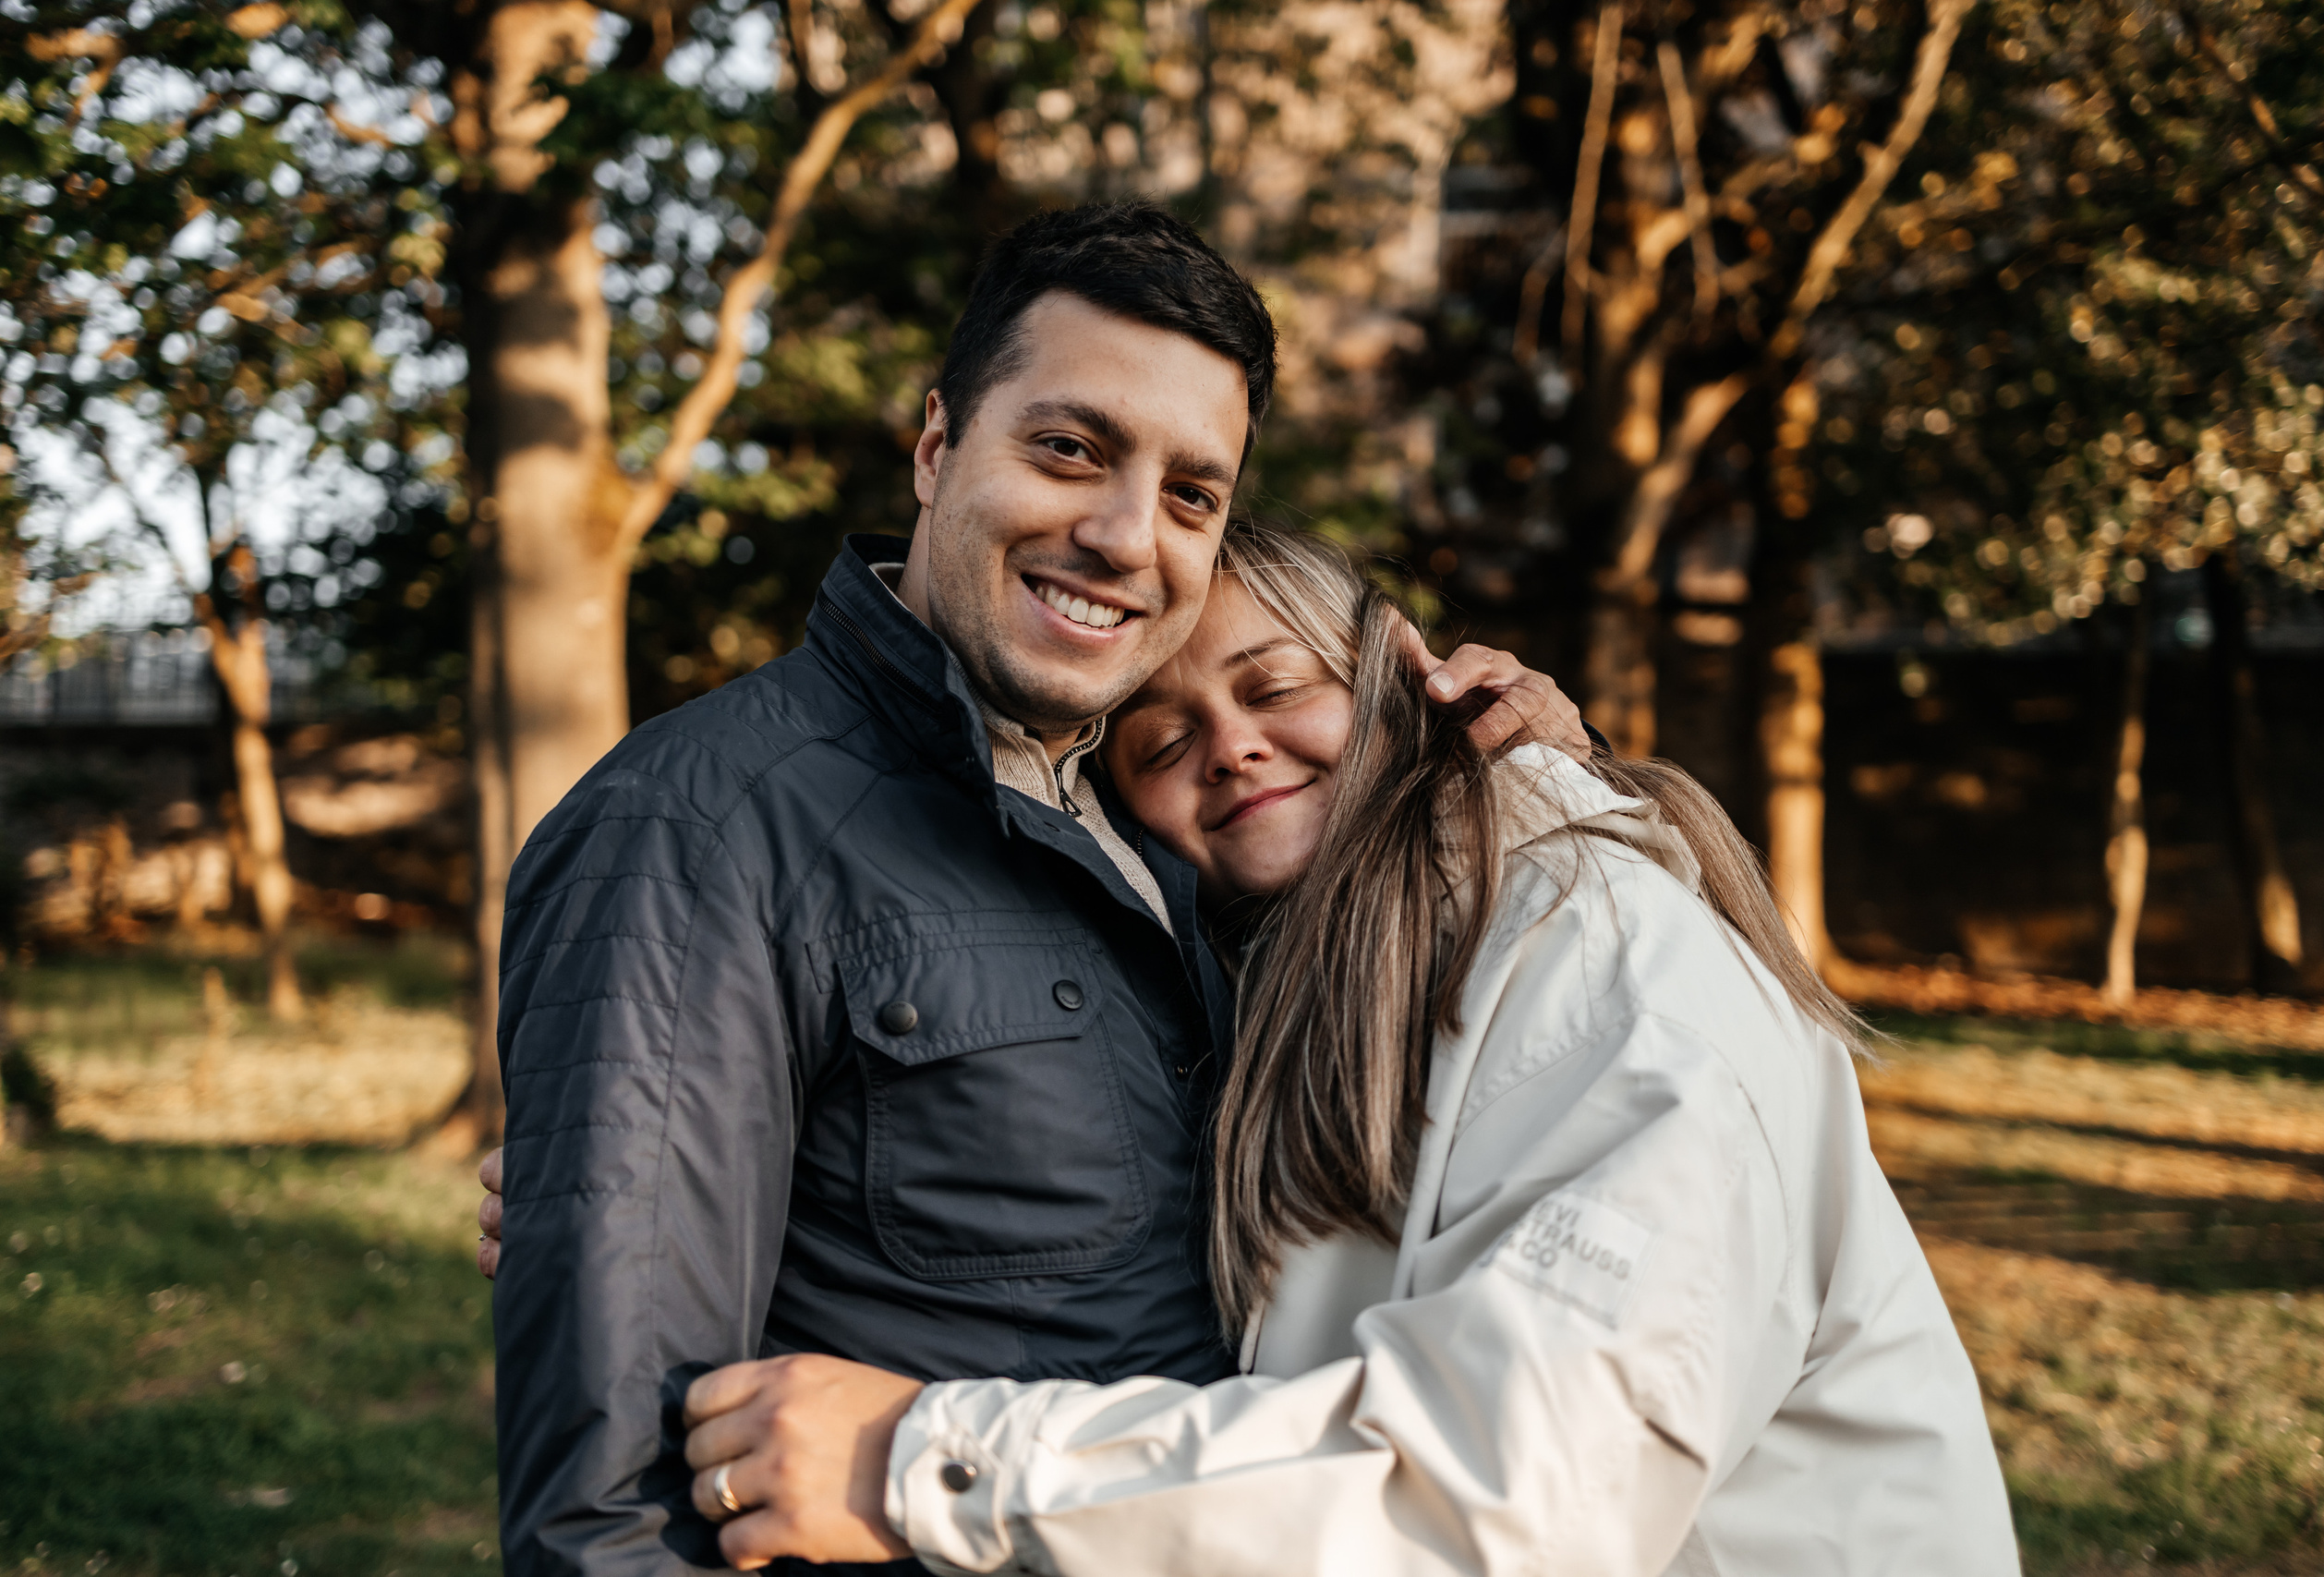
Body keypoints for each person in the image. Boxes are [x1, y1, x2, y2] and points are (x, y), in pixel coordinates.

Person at [483, 201, 1589, 1573]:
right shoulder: (702, 826)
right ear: (937, 445)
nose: (1128, 536)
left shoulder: (1165, 820)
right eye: (1070, 449)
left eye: (1192, 495)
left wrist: (1527, 781)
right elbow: (614, 1511)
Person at [666, 519, 2022, 1574]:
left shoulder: (1601, 959)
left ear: (1396, 672)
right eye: (1162, 741)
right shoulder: (1287, 985)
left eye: (1277, 687)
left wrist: (923, 1465)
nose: (1232, 748)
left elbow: (1517, 1493)